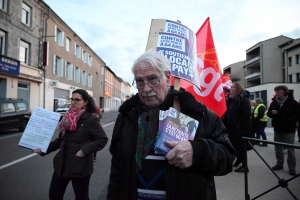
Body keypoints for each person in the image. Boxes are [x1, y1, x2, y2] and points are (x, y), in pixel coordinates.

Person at [106, 50, 236, 200]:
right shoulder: (127, 116)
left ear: (168, 78)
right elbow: (116, 167)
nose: (146, 88)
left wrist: (198, 151)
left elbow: (227, 156)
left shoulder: (195, 112)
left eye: (153, 79)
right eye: (140, 81)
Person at [32, 89, 108, 200]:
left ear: (85, 102)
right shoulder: (67, 118)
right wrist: (43, 149)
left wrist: (84, 150)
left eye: (77, 100)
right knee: (54, 195)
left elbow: (102, 139)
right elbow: (60, 141)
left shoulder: (90, 119)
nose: (73, 102)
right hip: (62, 164)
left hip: (80, 166)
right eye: (72, 99)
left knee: (81, 197)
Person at [267, 85, 300, 176]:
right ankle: (279, 163)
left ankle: (292, 167)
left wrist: (288, 120)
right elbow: (269, 114)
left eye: (278, 91)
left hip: (288, 130)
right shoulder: (274, 103)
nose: (276, 93)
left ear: (284, 92)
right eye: (275, 91)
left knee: (290, 149)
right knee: (278, 147)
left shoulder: (293, 103)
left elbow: (298, 115)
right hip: (277, 129)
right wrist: (271, 113)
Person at [223, 82, 253, 173]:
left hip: (240, 129)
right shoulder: (231, 99)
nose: (231, 88)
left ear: (238, 89)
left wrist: (238, 124)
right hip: (232, 128)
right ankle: (239, 160)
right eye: (231, 87)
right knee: (235, 146)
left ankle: (245, 166)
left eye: (233, 87)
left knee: (241, 148)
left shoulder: (243, 100)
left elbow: (246, 114)